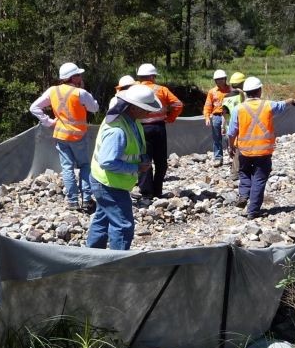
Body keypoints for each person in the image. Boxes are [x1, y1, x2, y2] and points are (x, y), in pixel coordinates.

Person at [86, 84, 162, 250]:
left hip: (108, 181)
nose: (149, 112)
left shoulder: (131, 121)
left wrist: (143, 158)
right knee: (123, 225)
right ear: (134, 107)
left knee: (103, 217)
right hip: (109, 183)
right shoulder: (118, 131)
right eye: (146, 108)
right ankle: (118, 263)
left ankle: (91, 256)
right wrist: (136, 168)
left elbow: (134, 147)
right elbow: (107, 162)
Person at [30, 62, 99, 211]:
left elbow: (34, 107)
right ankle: (87, 200)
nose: (81, 77)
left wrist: (48, 122)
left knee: (67, 168)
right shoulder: (80, 93)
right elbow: (95, 108)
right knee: (85, 166)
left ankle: (72, 202)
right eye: (79, 75)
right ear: (73, 78)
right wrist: (86, 93)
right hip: (78, 136)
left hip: (61, 135)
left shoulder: (52, 91)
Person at [227, 76, 295, 220]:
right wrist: (291, 101)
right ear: (259, 91)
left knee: (244, 172)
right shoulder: (268, 105)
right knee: (259, 178)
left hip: (245, 150)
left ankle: (244, 194)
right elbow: (282, 105)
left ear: (245, 93)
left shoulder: (238, 109)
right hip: (264, 151)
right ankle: (253, 211)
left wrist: (230, 147)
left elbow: (232, 131)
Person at [135, 63, 183, 198]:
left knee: (144, 160)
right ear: (152, 76)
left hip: (141, 128)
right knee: (160, 161)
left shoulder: (134, 89)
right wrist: (170, 118)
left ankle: (146, 194)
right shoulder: (161, 89)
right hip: (159, 127)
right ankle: (157, 191)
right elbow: (178, 104)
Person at [203, 69, 231, 167]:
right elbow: (207, 105)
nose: (220, 81)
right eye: (218, 79)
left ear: (225, 79)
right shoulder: (212, 92)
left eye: (222, 79)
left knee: (229, 136)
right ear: (215, 80)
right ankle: (218, 158)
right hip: (216, 117)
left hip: (228, 116)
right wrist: (207, 117)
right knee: (216, 138)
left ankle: (233, 155)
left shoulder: (231, 90)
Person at [221, 71, 246, 180]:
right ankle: (235, 173)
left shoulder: (226, 97)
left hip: (229, 127)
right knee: (238, 150)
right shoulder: (242, 95)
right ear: (242, 84)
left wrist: (223, 126)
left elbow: (224, 113)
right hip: (241, 126)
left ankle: (237, 171)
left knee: (234, 149)